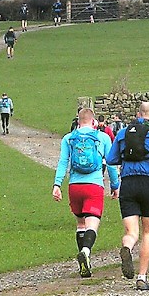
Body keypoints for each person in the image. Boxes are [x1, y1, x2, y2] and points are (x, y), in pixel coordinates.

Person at [106, 101, 149, 291]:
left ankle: (127, 247)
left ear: (138, 114)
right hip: (147, 183)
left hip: (128, 183)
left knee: (131, 232)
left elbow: (111, 159)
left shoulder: (123, 133)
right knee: (148, 232)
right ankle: (142, 277)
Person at [53, 108, 121, 278]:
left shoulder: (68, 139)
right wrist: (115, 185)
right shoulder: (103, 137)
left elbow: (63, 163)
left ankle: (84, 264)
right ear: (93, 122)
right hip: (94, 185)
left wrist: (57, 184)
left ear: (78, 121)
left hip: (75, 186)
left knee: (80, 225)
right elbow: (111, 164)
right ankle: (86, 251)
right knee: (93, 223)